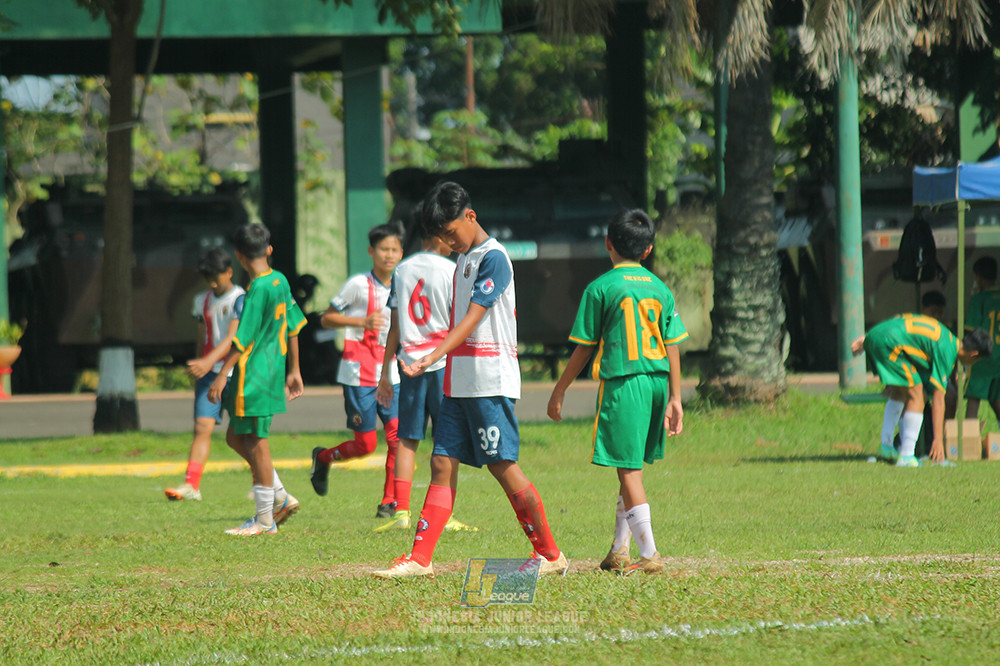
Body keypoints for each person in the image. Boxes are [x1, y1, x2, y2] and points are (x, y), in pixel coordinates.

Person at [372, 181, 567, 578]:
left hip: (488, 381)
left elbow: (472, 318)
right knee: (441, 461)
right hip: (458, 381)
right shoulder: (461, 261)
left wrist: (431, 356)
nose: (448, 241)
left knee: (503, 466)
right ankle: (420, 560)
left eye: (451, 232)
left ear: (470, 216)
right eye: (441, 236)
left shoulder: (494, 258)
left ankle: (550, 555)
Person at [546, 208, 687, 575]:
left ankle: (650, 555)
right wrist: (675, 396)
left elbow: (583, 347)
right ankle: (618, 549)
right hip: (658, 383)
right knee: (631, 467)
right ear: (648, 249)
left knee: (629, 473)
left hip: (626, 382)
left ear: (608, 243)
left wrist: (559, 390)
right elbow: (672, 343)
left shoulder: (601, 287)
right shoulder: (659, 287)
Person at [373, 227, 475, 533]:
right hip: (443, 363)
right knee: (448, 440)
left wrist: (384, 373)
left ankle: (401, 511)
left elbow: (395, 325)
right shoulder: (451, 269)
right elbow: (460, 320)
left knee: (407, 439)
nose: (455, 244)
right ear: (439, 236)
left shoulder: (402, 270)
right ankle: (444, 514)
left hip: (410, 365)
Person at [208, 223, 306, 535]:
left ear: (238, 256)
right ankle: (280, 495)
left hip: (255, 375)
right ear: (269, 249)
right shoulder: (279, 280)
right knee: (236, 438)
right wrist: (294, 369)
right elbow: (294, 324)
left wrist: (222, 375)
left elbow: (243, 337)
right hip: (270, 372)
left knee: (258, 443)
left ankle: (265, 520)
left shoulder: (258, 290)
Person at [309, 224, 403, 518]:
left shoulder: (405, 284)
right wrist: (362, 322)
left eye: (395, 250)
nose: (389, 255)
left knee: (396, 438)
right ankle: (323, 457)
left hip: (391, 374)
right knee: (366, 445)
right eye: (384, 249)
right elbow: (326, 318)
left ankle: (388, 502)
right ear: (371, 252)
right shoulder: (358, 284)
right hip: (358, 373)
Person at [852, 313, 992, 467]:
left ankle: (886, 447)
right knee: (917, 395)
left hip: (877, 335)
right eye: (976, 361)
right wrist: (938, 441)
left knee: (900, 393)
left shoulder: (946, 336)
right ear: (974, 354)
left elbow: (902, 318)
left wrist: (868, 337)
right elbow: (939, 399)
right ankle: (906, 455)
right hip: (889, 344)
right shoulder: (947, 350)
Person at [165, 248, 245, 502]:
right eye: (207, 278)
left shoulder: (240, 298)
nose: (212, 283)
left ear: (229, 272)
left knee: (244, 433)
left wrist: (208, 360)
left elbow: (234, 336)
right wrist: (201, 364)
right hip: (209, 374)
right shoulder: (202, 300)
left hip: (236, 372)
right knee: (202, 427)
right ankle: (192, 485)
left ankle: (262, 481)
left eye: (216, 277)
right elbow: (203, 338)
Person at [964, 257, 1000, 423]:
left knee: (974, 399)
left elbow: (971, 329)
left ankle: (969, 437)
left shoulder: (979, 299)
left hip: (983, 355)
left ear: (977, 277)